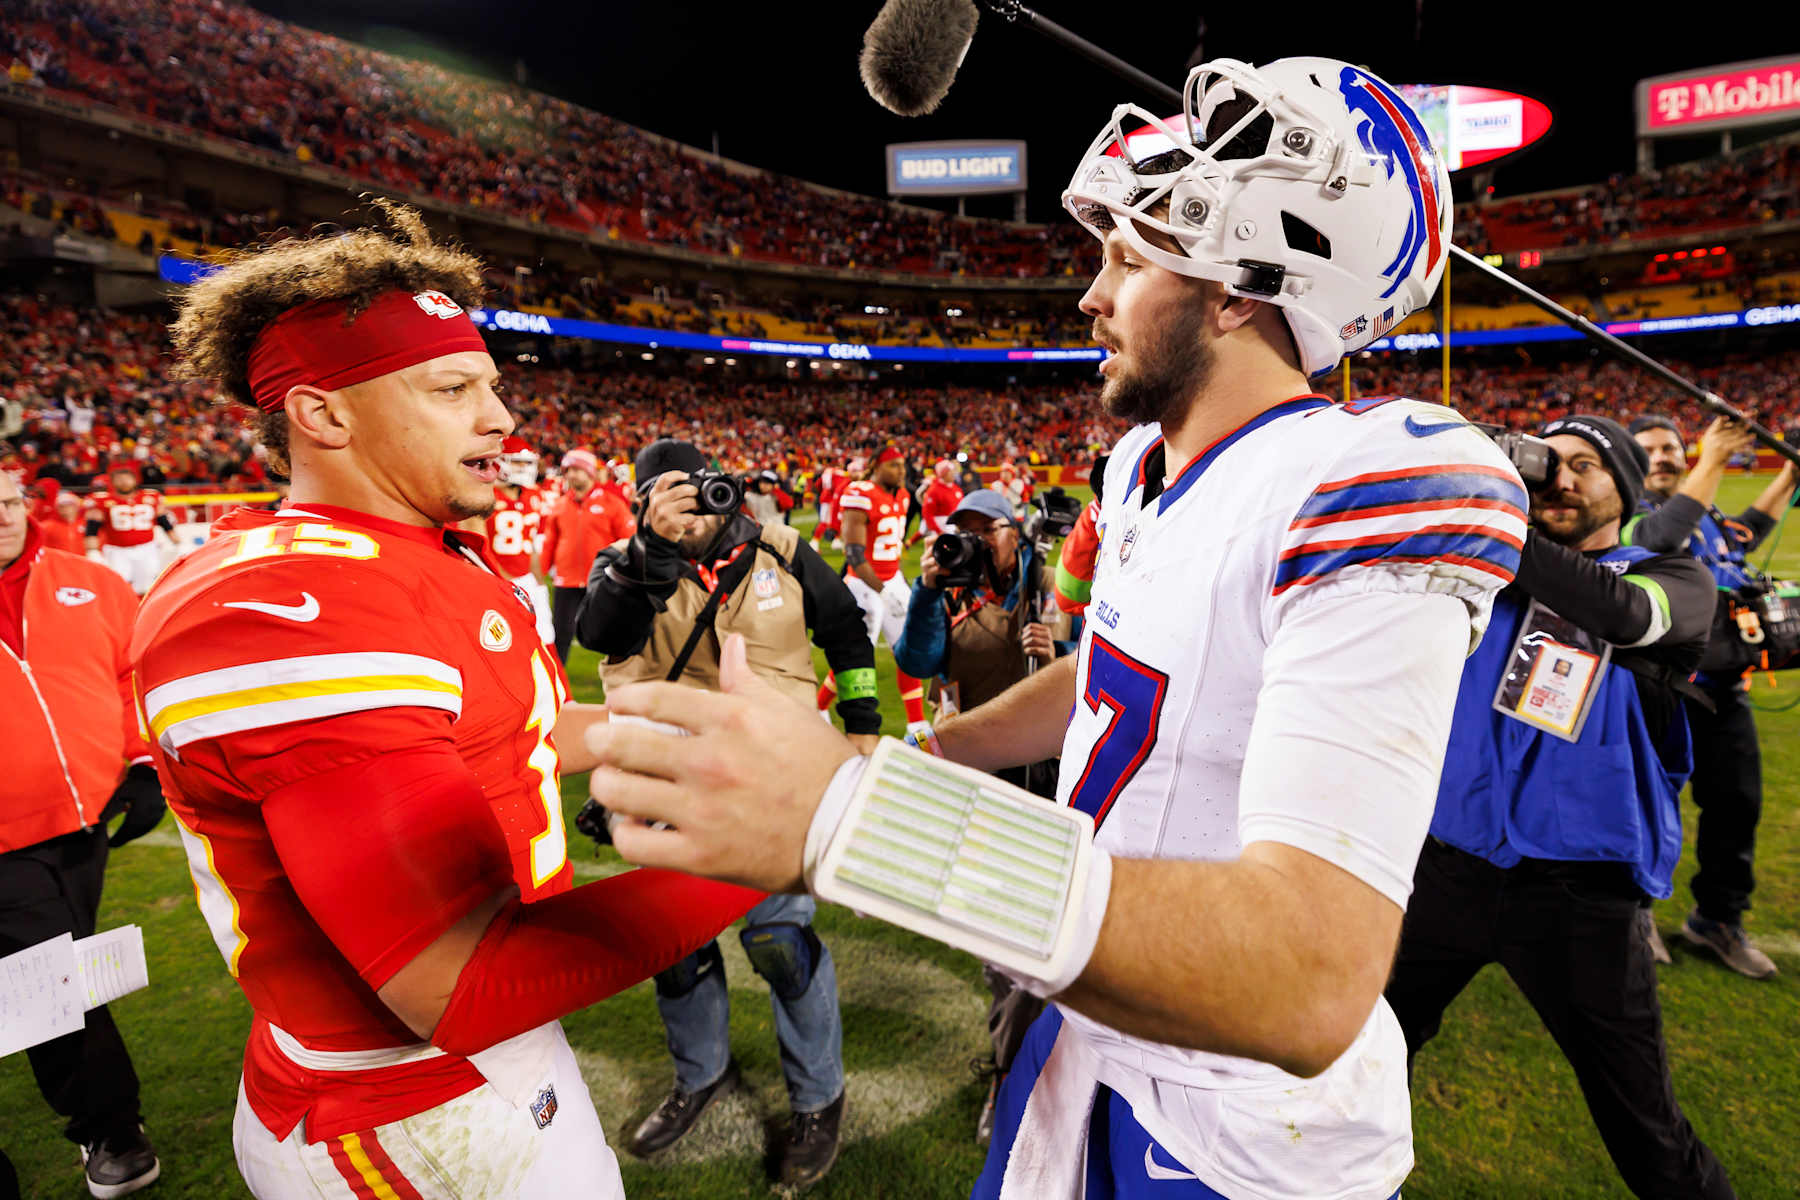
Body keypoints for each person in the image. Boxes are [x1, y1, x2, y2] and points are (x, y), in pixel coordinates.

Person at [586, 58, 1528, 1200]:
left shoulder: (1363, 478)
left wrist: (852, 812)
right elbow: (1119, 669)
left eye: (1129, 261)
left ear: (1237, 290)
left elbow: (1311, 977)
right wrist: (917, 753)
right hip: (1086, 1026)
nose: (1091, 296)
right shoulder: (1145, 465)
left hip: (1229, 1121)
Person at [129, 204, 762, 1199]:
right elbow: (459, 986)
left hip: (481, 1074)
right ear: (323, 413)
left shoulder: (424, 553)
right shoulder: (288, 610)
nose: (502, 418)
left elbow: (513, 736)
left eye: (494, 387)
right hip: (403, 1106)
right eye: (452, 388)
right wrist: (777, 851)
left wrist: (681, 724)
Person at [1386, 415, 1734, 1199]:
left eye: (1588, 467)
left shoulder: (1676, 578)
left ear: (1627, 488)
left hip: (1581, 893)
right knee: (1361, 1054)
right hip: (1450, 866)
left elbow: (1620, 615)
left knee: (1644, 1127)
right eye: (1552, 465)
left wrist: (1493, 519)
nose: (1564, 482)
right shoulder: (1481, 568)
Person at [573, 437, 877, 1187]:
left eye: (697, 489)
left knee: (780, 942)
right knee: (677, 949)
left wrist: (864, 730)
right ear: (642, 502)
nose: (692, 507)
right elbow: (598, 633)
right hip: (668, 786)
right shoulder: (624, 561)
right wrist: (652, 547)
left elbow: (845, 634)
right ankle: (698, 1077)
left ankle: (818, 1098)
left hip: (775, 789)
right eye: (664, 495)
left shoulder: (784, 548)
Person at [2, 469, 165, 1198]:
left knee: (55, 970)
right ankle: (110, 1125)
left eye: (8, 501)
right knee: (52, 973)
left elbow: (137, 669)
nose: (3, 516)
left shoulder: (88, 579)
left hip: (87, 819)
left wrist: (142, 762)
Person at [892, 486, 1070, 1145]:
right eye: (960, 530)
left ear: (1015, 532)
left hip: (1046, 780)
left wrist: (1059, 656)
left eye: (984, 530)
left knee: (1041, 931)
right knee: (999, 942)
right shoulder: (951, 591)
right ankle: (1013, 1064)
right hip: (977, 788)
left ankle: (1016, 1070)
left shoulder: (1048, 584)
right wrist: (926, 588)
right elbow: (915, 661)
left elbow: (1103, 659)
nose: (971, 541)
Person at [1626, 413, 1800, 978]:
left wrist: (1791, 474)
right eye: (1648, 449)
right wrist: (1713, 461)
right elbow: (1662, 538)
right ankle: (1637, 914)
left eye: (1671, 447)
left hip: (1726, 691)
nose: (1662, 456)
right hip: (1657, 691)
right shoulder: (1629, 518)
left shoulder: (1712, 516)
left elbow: (1749, 530)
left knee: (1736, 807)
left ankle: (1718, 919)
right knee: (1648, 807)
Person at [823, 446, 926, 727]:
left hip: (891, 580)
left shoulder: (903, 496)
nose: (901, 471)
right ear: (876, 467)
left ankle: (917, 725)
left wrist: (897, 583)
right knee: (856, 657)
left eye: (902, 465)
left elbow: (890, 550)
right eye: (893, 465)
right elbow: (854, 555)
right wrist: (883, 591)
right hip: (863, 585)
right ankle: (819, 707)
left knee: (907, 651)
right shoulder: (860, 494)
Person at [541, 447, 634, 662]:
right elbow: (549, 543)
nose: (572, 475)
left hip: (602, 580)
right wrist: (539, 576)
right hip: (566, 580)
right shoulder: (560, 505)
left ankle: (617, 680)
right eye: (569, 470)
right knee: (561, 633)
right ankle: (557, 683)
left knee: (612, 633)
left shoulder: (613, 504)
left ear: (590, 472)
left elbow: (629, 540)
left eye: (577, 469)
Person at [482, 435, 554, 649]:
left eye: (527, 463)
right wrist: (503, 581)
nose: (524, 468)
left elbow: (530, 544)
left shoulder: (533, 495)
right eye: (517, 462)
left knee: (545, 643)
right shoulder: (485, 496)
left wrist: (539, 583)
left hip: (527, 580)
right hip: (494, 580)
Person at [82, 465, 177, 595]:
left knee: (147, 585)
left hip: (146, 548)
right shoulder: (102, 500)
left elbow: (163, 521)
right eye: (119, 479)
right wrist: (92, 550)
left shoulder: (151, 496)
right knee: (117, 584)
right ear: (113, 482)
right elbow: (92, 528)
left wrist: (177, 541)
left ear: (135, 480)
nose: (124, 482)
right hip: (117, 550)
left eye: (127, 478)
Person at [915, 458, 965, 544]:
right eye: (951, 471)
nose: (954, 473)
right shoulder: (934, 490)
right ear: (944, 474)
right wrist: (938, 531)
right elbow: (927, 513)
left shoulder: (956, 489)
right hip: (940, 529)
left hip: (954, 528)